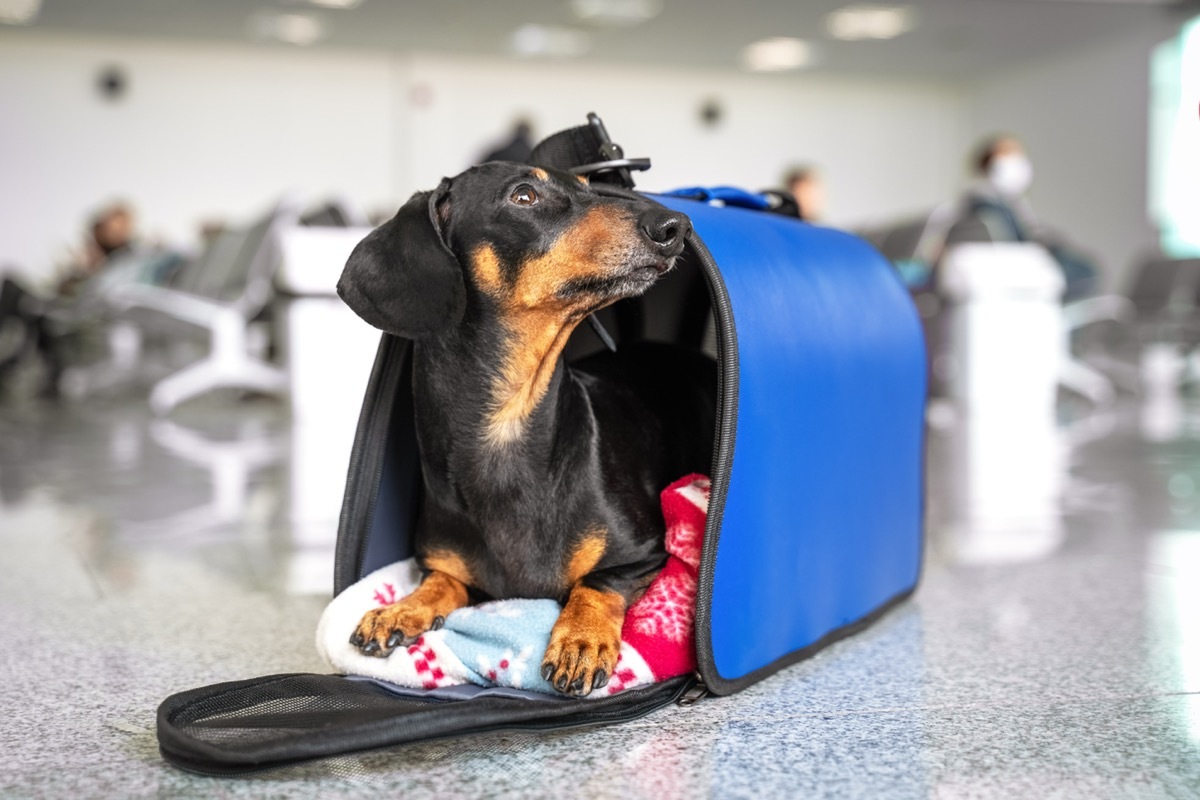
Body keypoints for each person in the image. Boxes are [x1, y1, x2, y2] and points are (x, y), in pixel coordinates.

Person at [945, 135, 1098, 302]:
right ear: (989, 163)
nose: (1018, 161)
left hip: (1025, 264)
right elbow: (1017, 243)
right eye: (1009, 154)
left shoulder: (1003, 202)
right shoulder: (986, 204)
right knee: (1085, 271)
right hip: (1021, 267)